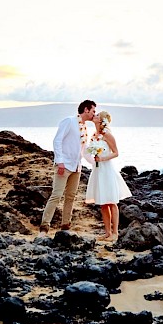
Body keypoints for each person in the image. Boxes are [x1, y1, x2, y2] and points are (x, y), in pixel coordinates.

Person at [39, 99, 96, 235]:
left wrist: (95, 163)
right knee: (56, 195)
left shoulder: (85, 128)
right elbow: (57, 140)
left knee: (70, 196)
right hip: (64, 166)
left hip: (76, 167)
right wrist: (60, 162)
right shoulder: (69, 121)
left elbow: (84, 148)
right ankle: (44, 227)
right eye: (93, 111)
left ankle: (65, 226)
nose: (94, 114)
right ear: (86, 110)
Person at [84, 110, 132, 240]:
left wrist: (103, 159)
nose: (95, 115)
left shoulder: (107, 134)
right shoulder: (94, 135)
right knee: (103, 202)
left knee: (111, 201)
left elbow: (116, 153)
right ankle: (107, 232)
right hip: (98, 170)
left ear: (102, 120)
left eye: (98, 115)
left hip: (107, 170)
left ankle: (115, 233)